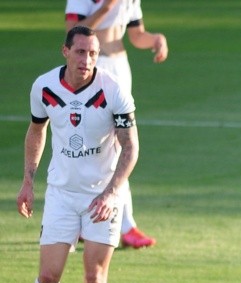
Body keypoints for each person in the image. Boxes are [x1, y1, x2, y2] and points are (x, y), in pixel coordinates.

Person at [17, 26, 140, 283]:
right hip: (60, 194)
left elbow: (130, 146)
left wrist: (112, 192)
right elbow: (36, 130)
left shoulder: (113, 90)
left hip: (102, 198)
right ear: (65, 51)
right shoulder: (43, 88)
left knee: (93, 278)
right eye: (82, 51)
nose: (87, 59)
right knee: (48, 277)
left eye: (93, 53)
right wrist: (28, 181)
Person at [65, 0, 167, 248]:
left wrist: (155, 39)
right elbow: (73, 32)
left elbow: (136, 35)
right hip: (91, 68)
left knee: (119, 146)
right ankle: (105, 222)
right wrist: (106, 7)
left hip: (120, 68)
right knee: (88, 145)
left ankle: (122, 225)